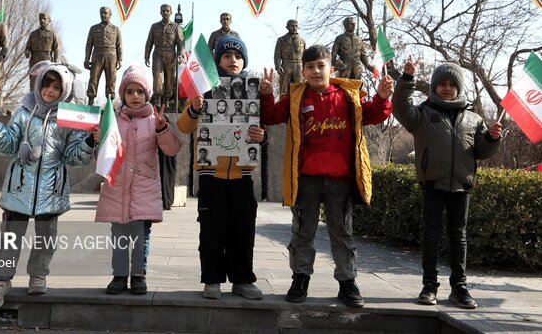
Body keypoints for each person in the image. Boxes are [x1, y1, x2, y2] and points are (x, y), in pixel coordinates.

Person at [260, 44, 394, 307]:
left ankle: (347, 282)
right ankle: (300, 279)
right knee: (302, 232)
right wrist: (266, 95)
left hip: (340, 180)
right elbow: (271, 115)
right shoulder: (296, 97)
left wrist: (381, 96)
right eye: (309, 67)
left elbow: (375, 114)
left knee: (342, 233)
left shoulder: (348, 96)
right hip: (306, 178)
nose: (315, 71)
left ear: (331, 69)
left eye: (320, 66)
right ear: (303, 71)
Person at [0, 61, 95, 309]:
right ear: (38, 83)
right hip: (19, 187)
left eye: (56, 87)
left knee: (46, 238)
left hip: (51, 190)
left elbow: (73, 157)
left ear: (64, 90)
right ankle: (0, 281)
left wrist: (87, 142)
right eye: (46, 84)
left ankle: (38, 275)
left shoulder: (69, 119)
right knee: (9, 237)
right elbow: (9, 144)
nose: (50, 91)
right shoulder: (24, 112)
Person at [392, 59, 502, 309]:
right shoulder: (421, 113)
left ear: (459, 88)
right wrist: (406, 80)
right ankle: (429, 286)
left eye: (453, 84)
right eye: (442, 83)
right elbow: (399, 108)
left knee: (458, 237)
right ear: (434, 86)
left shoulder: (474, 119)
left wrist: (492, 138)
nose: (447, 88)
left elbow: (482, 152)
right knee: (430, 235)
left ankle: (459, 288)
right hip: (432, 182)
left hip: (462, 185)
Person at [177, 35, 267, 300]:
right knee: (212, 229)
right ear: (217, 60)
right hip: (210, 172)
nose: (233, 60)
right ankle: (212, 280)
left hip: (242, 172)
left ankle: (242, 280)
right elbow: (184, 126)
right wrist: (194, 109)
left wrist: (263, 136)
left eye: (238, 57)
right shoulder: (203, 88)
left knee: (243, 228)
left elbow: (263, 128)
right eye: (227, 56)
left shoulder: (253, 90)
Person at [94, 65, 181, 296]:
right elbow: (100, 157)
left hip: (145, 188)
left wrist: (163, 129)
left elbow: (172, 149)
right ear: (122, 94)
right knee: (120, 237)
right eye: (130, 91)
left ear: (147, 94)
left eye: (140, 92)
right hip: (118, 188)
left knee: (141, 237)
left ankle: (139, 275)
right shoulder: (112, 119)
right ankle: (119, 276)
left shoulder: (155, 120)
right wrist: (97, 140)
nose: (135, 96)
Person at [144, 4, 185, 107]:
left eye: (167, 11)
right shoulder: (154, 26)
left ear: (171, 12)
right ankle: (157, 99)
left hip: (171, 55)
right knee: (157, 77)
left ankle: (166, 100)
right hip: (158, 53)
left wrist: (181, 55)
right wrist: (146, 56)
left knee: (169, 79)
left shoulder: (176, 27)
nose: (165, 12)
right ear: (160, 12)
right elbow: (149, 42)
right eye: (163, 11)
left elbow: (181, 43)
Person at [84, 6, 122, 105]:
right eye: (101, 13)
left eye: (105, 13)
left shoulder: (116, 29)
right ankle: (90, 101)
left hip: (111, 55)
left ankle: (110, 102)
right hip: (97, 54)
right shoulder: (93, 28)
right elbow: (89, 44)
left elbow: (119, 46)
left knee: (111, 79)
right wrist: (87, 59)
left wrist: (120, 59)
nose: (103, 15)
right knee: (93, 78)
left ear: (110, 15)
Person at [25, 12, 62, 91]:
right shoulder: (33, 34)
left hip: (47, 59)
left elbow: (57, 50)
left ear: (49, 20)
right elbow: (28, 47)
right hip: (34, 60)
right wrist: (27, 52)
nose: (42, 20)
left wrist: (57, 64)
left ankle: (45, 101)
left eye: (44, 19)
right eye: (40, 19)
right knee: (33, 83)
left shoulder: (52, 34)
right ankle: (33, 101)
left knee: (46, 81)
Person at [274, 19, 306, 96]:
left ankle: (298, 106)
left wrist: (305, 68)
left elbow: (305, 56)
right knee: (284, 90)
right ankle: (282, 106)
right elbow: (277, 55)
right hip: (286, 65)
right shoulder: (281, 40)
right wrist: (278, 66)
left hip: (299, 66)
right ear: (287, 27)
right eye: (292, 26)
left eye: (296, 26)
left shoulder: (302, 41)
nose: (294, 28)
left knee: (299, 89)